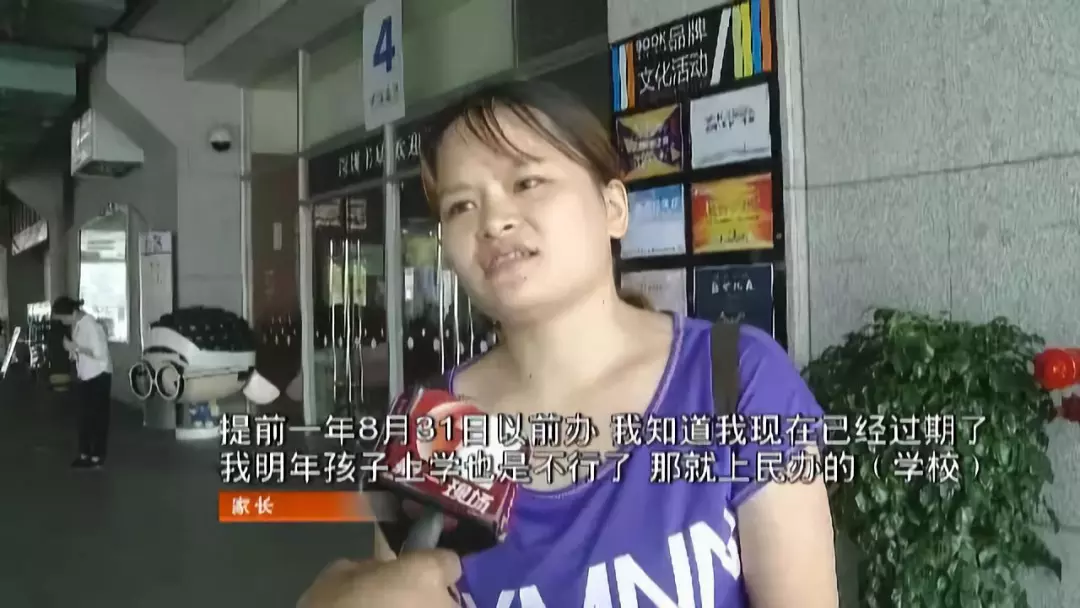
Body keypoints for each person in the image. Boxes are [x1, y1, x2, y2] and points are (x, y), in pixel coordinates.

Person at [299, 81, 838, 607]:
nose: (494, 221)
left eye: (527, 182)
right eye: (461, 206)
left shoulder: (736, 377)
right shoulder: (429, 430)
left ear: (613, 207)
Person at [52, 296, 113, 469]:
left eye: (63, 318)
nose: (63, 322)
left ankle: (97, 456)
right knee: (84, 417)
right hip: (86, 375)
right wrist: (73, 351)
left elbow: (99, 353)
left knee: (97, 418)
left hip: (99, 375)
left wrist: (74, 347)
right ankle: (85, 454)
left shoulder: (90, 325)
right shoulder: (77, 325)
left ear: (72, 313)